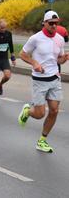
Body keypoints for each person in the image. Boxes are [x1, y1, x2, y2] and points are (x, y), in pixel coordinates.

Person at [18, 10, 69, 153]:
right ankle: (28, 111)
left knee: (54, 110)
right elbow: (22, 54)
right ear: (44, 23)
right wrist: (34, 63)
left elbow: (57, 59)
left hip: (54, 78)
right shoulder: (35, 38)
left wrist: (63, 59)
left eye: (56, 23)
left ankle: (42, 140)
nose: (54, 26)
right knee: (40, 114)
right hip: (39, 80)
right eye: (51, 23)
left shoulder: (59, 39)